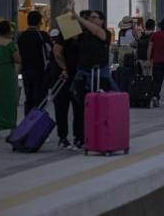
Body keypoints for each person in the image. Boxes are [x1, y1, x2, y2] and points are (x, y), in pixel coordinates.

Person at [71, 10, 117, 149]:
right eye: (89, 17)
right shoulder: (83, 34)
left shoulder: (104, 33)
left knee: (100, 107)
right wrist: (68, 13)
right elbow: (69, 30)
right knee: (79, 108)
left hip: (99, 76)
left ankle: (101, 135)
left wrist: (76, 16)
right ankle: (80, 137)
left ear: (102, 21)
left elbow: (95, 30)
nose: (90, 19)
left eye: (94, 17)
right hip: (83, 75)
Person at [50, 28, 81, 149]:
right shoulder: (66, 36)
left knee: (65, 108)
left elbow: (56, 52)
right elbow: (56, 52)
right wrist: (65, 68)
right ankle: (74, 137)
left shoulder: (68, 35)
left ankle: (66, 137)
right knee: (72, 107)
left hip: (68, 76)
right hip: (68, 76)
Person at [17, 11, 52, 116]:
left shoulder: (21, 36)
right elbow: (50, 51)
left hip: (26, 70)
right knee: (40, 98)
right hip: (40, 71)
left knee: (29, 97)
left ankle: (28, 121)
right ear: (40, 22)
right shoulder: (42, 35)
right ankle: (38, 121)